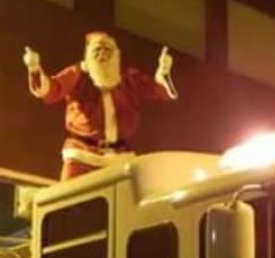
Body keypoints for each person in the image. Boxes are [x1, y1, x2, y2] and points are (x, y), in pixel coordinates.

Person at [23, 31, 177, 180]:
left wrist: (163, 71)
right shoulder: (78, 74)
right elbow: (52, 89)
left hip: (119, 157)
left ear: (117, 54)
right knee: (70, 200)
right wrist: (35, 69)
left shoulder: (128, 78)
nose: (103, 54)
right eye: (97, 50)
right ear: (88, 54)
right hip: (82, 155)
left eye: (108, 50)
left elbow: (155, 89)